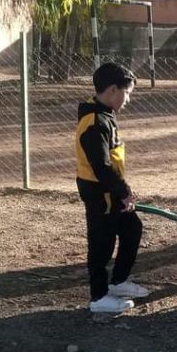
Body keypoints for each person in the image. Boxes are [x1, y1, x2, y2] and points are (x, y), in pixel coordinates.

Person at [76, 63, 150, 313]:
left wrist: (121, 191)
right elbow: (101, 166)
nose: (128, 99)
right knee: (101, 243)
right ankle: (98, 298)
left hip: (111, 190)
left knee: (132, 229)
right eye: (126, 93)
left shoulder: (104, 113)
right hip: (100, 193)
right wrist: (123, 191)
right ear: (112, 90)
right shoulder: (94, 122)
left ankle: (118, 282)